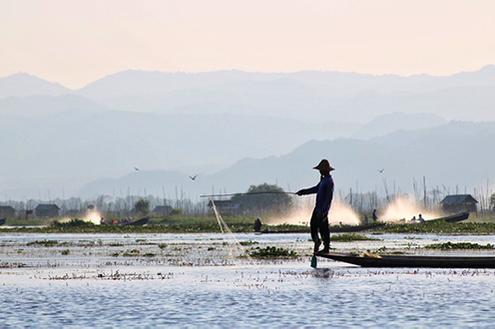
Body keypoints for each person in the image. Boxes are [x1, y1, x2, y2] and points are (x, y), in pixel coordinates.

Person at [296, 159, 335, 254]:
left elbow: (328, 198)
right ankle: (317, 241)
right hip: (317, 208)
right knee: (313, 225)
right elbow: (316, 189)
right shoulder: (323, 181)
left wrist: (324, 212)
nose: (320, 171)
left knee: (324, 229)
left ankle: (326, 247)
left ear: (326, 170)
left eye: (321, 170)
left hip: (323, 209)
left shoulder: (329, 181)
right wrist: (303, 192)